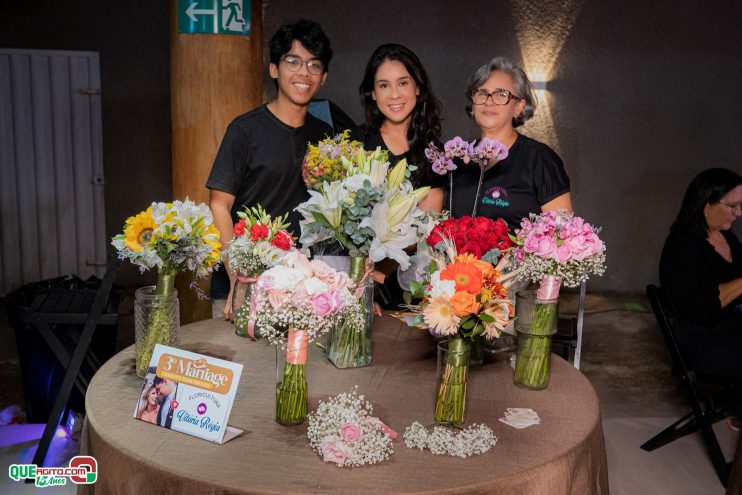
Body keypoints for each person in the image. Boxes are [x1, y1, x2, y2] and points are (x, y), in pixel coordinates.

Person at [207, 19, 333, 319]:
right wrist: (237, 277)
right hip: (244, 283)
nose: (304, 72)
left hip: (304, 287)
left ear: (324, 77)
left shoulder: (327, 138)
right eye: (293, 61)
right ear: (274, 69)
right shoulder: (244, 130)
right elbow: (218, 204)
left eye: (314, 65)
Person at [357, 43, 445, 309]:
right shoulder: (357, 145)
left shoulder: (434, 153)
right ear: (372, 93)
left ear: (417, 87)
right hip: (358, 281)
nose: (394, 94)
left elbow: (426, 228)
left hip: (408, 287)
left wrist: (383, 271)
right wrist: (361, 282)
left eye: (403, 83)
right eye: (384, 85)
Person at [449, 56, 571, 229]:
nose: (489, 101)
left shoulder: (540, 159)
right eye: (482, 93)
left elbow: (563, 236)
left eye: (501, 94)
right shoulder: (457, 160)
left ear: (518, 106)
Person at [659, 168, 742, 383]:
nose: (739, 213)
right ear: (706, 205)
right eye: (733, 206)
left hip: (731, 330)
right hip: (701, 340)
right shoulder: (682, 245)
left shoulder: (728, 239)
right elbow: (704, 308)